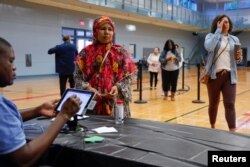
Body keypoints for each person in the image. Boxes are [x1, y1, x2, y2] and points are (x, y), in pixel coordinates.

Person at [0, 37, 81, 166]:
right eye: (10, 61)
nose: (14, 67)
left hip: (62, 70)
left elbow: (5, 121)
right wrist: (63, 116)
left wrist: (37, 110)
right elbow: (24, 159)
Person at [74, 16, 136, 117]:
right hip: (92, 101)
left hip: (115, 102)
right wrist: (88, 87)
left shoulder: (121, 52)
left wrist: (118, 87)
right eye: (103, 29)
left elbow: (130, 75)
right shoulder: (85, 53)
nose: (107, 32)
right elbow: (77, 76)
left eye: (110, 29)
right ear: (95, 31)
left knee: (118, 130)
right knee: (92, 130)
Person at [204, 14, 242, 132]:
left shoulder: (234, 39)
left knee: (230, 104)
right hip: (214, 76)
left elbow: (238, 60)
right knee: (213, 104)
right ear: (218, 23)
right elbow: (209, 47)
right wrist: (218, 31)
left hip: (230, 76)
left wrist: (239, 57)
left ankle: (232, 130)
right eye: (223, 22)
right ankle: (212, 126)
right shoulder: (210, 36)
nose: (226, 24)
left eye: (228, 22)